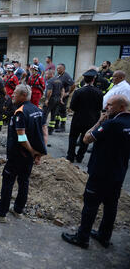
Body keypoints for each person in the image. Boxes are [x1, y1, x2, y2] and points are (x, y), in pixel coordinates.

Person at [62, 95, 130, 249]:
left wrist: (99, 121)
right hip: (118, 173)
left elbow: (86, 139)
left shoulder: (111, 124)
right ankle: (104, 236)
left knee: (90, 206)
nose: (107, 108)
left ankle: (82, 238)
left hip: (101, 173)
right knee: (111, 206)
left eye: (110, 105)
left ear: (121, 107)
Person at [0, 84, 47, 223]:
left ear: (23, 96)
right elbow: (44, 132)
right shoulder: (37, 110)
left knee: (8, 183)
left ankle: (1, 214)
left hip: (18, 155)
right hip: (28, 157)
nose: (12, 95)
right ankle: (18, 210)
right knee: (24, 182)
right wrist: (39, 154)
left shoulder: (20, 112)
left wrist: (31, 151)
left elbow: (22, 137)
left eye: (15, 93)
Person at [66, 69, 103, 163]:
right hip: (91, 120)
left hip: (78, 119)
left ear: (84, 80)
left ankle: (70, 156)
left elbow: (72, 107)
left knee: (73, 138)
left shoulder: (78, 92)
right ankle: (80, 157)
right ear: (93, 80)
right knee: (85, 139)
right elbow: (99, 108)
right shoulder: (99, 92)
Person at [43, 70, 64, 135]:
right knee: (53, 115)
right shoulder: (59, 80)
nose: (45, 76)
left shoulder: (50, 81)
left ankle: (42, 129)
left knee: (44, 114)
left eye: (46, 74)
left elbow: (50, 91)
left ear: (51, 74)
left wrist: (47, 100)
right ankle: (50, 130)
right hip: (57, 99)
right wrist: (61, 98)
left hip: (51, 99)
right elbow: (62, 90)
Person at [55, 63, 75, 132]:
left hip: (63, 97)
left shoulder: (66, 76)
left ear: (63, 69)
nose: (57, 69)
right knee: (57, 111)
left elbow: (73, 85)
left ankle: (62, 127)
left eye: (59, 68)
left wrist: (68, 93)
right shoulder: (57, 75)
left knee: (62, 111)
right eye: (57, 68)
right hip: (57, 96)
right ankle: (56, 125)